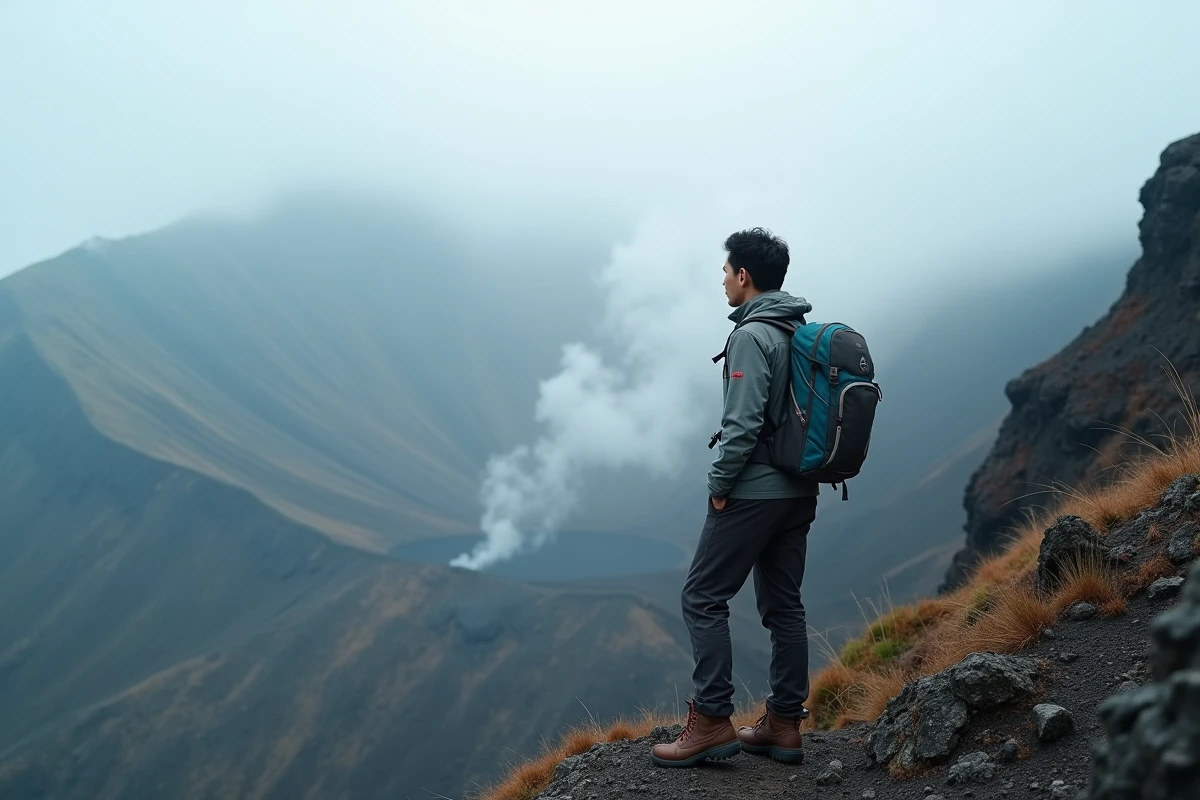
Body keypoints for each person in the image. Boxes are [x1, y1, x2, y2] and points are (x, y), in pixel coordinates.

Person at [652, 227, 818, 768]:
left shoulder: (752, 335)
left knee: (702, 596)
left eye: (726, 271)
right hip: (799, 490)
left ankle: (711, 723)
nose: (722, 279)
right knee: (784, 606)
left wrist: (718, 486)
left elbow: (743, 426)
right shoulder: (800, 331)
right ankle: (785, 725)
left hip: (754, 492)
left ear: (744, 276)